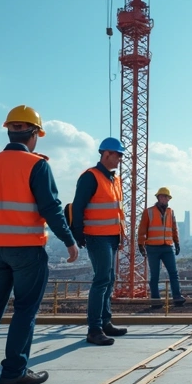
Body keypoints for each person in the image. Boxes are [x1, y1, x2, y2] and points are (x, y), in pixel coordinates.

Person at [0, 105, 79, 384]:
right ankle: (14, 372)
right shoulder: (36, 165)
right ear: (35, 134)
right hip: (27, 249)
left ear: (9, 130)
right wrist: (68, 239)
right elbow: (51, 208)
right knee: (25, 310)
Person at [70, 137, 130, 346]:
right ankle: (94, 329)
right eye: (118, 155)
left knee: (109, 279)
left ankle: (105, 322)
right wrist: (78, 233)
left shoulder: (114, 180)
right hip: (97, 236)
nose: (120, 159)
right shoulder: (90, 177)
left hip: (111, 236)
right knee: (102, 280)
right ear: (106, 154)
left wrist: (121, 236)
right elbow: (78, 207)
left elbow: (116, 212)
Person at [138, 187, 185, 307]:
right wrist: (141, 244)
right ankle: (155, 300)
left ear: (169, 199)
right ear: (158, 197)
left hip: (167, 247)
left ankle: (177, 297)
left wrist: (177, 242)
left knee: (173, 273)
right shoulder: (149, 212)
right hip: (152, 248)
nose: (164, 199)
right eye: (162, 196)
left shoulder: (170, 212)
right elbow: (142, 229)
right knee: (155, 275)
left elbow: (174, 228)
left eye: (166, 197)